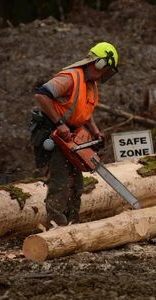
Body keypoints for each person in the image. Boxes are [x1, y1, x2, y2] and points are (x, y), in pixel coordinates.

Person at [30, 42, 119, 228]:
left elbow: (84, 110)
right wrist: (59, 123)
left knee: (76, 183)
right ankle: (55, 228)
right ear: (98, 63)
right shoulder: (71, 77)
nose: (103, 73)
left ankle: (72, 225)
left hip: (70, 134)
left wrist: (95, 130)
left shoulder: (91, 85)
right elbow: (41, 96)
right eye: (104, 68)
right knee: (60, 182)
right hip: (52, 132)